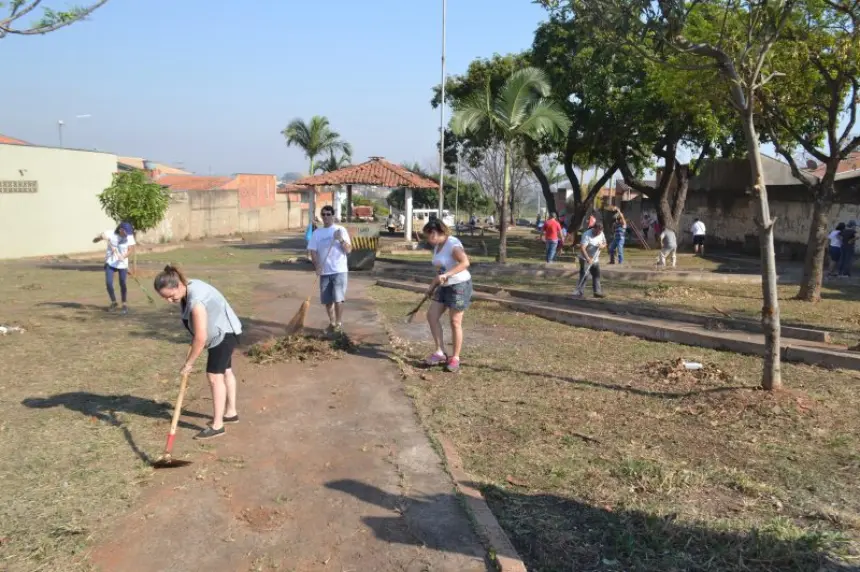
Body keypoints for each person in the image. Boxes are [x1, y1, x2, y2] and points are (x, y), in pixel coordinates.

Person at [153, 265, 243, 440]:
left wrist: (189, 364)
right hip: (227, 329)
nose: (169, 301)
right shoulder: (188, 286)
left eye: (170, 296)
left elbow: (201, 338)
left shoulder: (196, 300)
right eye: (165, 298)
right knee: (226, 371)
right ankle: (230, 412)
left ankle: (218, 426)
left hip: (223, 334)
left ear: (178, 285)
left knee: (214, 376)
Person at [423, 219, 472, 373]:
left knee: (455, 321)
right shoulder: (438, 246)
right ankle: (440, 352)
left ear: (436, 232)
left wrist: (447, 275)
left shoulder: (453, 244)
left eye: (428, 235)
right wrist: (431, 288)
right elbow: (440, 270)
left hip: (459, 286)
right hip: (444, 286)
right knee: (432, 316)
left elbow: (465, 262)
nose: (427, 239)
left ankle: (455, 358)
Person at [308, 205, 353, 333]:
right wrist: (317, 266)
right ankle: (332, 323)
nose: (326, 217)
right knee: (327, 301)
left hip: (339, 270)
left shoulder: (340, 230)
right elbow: (313, 251)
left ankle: (339, 323)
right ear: (321, 216)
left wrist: (340, 240)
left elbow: (348, 250)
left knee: (338, 298)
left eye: (328, 214)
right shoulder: (317, 233)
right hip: (324, 271)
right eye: (324, 214)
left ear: (333, 216)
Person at [92, 222, 136, 314]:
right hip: (110, 262)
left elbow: (130, 250)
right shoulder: (110, 233)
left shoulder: (129, 237)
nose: (127, 235)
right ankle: (114, 302)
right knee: (108, 283)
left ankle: (124, 304)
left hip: (122, 263)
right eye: (126, 233)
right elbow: (94, 240)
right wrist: (101, 237)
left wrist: (123, 256)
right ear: (121, 230)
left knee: (123, 283)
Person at [574, 222, 607, 298]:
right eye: (597, 232)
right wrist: (588, 258)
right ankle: (579, 292)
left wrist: (602, 246)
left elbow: (605, 243)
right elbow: (582, 248)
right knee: (585, 275)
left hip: (595, 259)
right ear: (594, 229)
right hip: (584, 258)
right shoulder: (587, 235)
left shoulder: (601, 233)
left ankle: (597, 292)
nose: (598, 233)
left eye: (600, 232)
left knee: (596, 275)